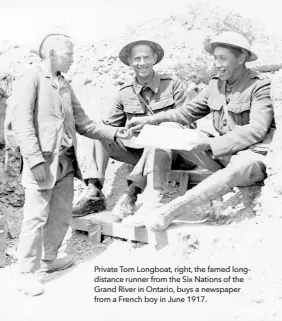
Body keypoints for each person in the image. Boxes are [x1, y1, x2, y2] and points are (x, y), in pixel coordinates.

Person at [11, 33, 130, 296]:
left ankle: (49, 259)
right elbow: (21, 123)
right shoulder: (31, 79)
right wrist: (33, 160)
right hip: (41, 162)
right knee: (35, 217)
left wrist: (114, 133)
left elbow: (84, 123)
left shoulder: (64, 84)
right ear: (52, 54)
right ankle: (26, 273)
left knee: (62, 212)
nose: (74, 58)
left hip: (65, 161)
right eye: (69, 53)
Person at [126, 31, 275, 231]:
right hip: (222, 155)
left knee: (242, 166)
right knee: (166, 130)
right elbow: (187, 112)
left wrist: (211, 144)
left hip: (251, 155)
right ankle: (152, 203)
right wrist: (150, 120)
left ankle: (171, 211)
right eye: (215, 58)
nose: (216, 63)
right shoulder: (216, 84)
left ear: (241, 58)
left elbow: (257, 129)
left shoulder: (259, 85)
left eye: (222, 58)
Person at [73, 39, 196, 223]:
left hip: (177, 154)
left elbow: (188, 124)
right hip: (142, 154)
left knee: (161, 132)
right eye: (137, 58)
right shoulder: (124, 92)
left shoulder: (173, 84)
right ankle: (94, 192)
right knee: (98, 133)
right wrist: (123, 132)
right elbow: (110, 127)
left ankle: (131, 194)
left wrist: (156, 125)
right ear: (130, 62)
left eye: (146, 57)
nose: (142, 63)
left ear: (155, 58)